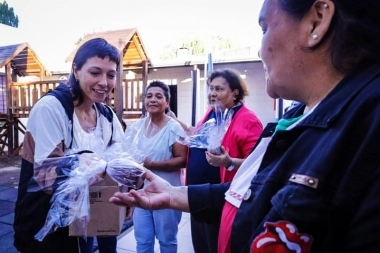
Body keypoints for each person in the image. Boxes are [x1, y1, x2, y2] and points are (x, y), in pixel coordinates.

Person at [110, 0, 380, 252]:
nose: (260, 49)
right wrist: (174, 194)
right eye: (210, 88)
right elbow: (253, 190)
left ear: (316, 21)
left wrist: (228, 162)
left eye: (265, 28)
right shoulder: (297, 118)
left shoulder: (367, 129)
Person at [14, 38, 125, 253]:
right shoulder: (52, 109)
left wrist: (127, 189)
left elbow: (121, 158)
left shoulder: (107, 116)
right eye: (95, 72)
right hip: (46, 228)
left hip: (86, 218)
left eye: (110, 75)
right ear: (76, 70)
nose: (104, 82)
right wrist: (81, 162)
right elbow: (47, 177)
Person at [171, 68, 263, 253]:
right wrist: (172, 119)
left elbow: (258, 165)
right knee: (201, 246)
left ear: (235, 93)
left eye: (219, 89)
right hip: (199, 195)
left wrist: (230, 162)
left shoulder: (248, 120)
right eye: (211, 88)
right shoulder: (212, 112)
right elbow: (197, 136)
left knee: (216, 246)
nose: (213, 93)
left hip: (221, 199)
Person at [124, 80, 187, 253]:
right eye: (149, 96)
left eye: (159, 96)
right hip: (140, 192)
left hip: (167, 192)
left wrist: (152, 164)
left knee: (166, 239)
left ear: (167, 102)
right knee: (142, 239)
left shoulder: (174, 128)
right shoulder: (135, 128)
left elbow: (183, 159)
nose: (153, 100)